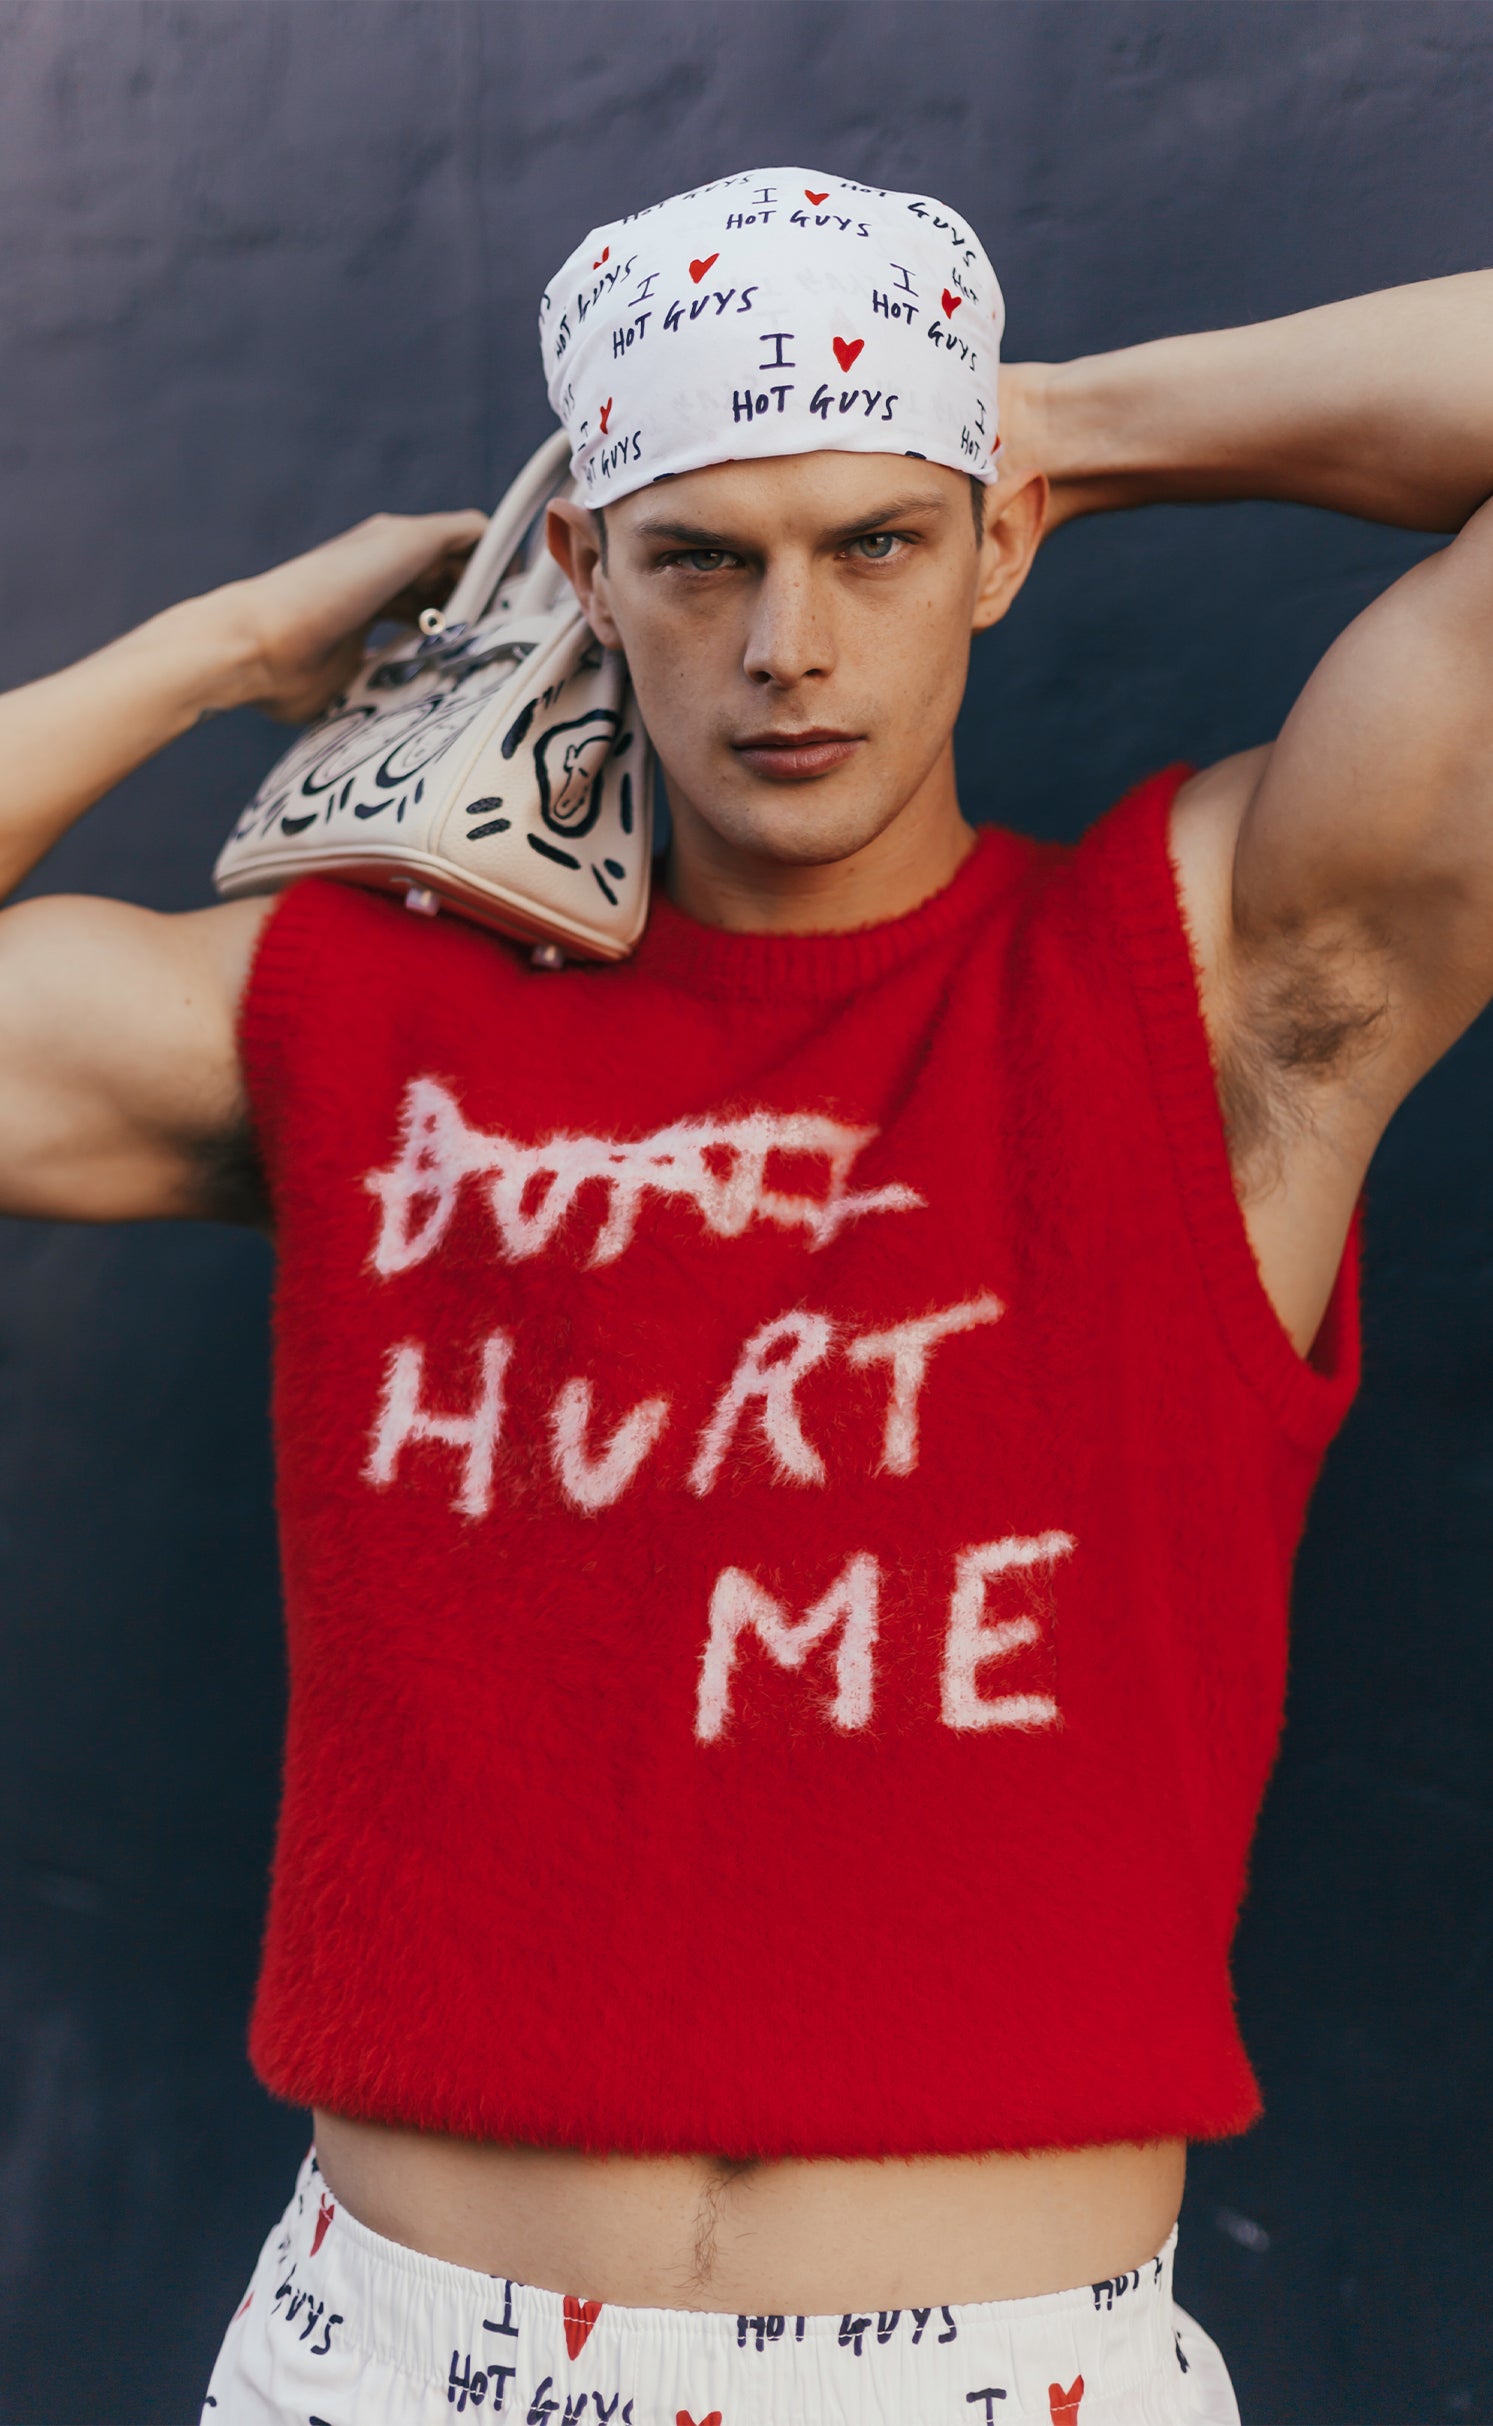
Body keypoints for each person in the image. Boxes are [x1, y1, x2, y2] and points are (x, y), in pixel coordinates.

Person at [2, 165, 1490, 2426]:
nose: (789, 642)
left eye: (877, 540)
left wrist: (1067, 417)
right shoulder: (351, 1020)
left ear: (994, 547)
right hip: (403, 2355)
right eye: (703, 553)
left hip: (1004, 2374)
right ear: (587, 570)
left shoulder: (1210, 996)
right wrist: (218, 646)